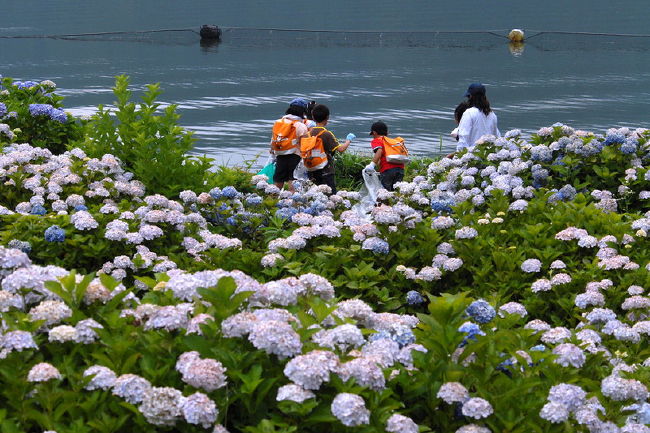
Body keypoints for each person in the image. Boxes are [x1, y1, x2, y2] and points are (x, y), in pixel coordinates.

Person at [304, 103, 354, 194]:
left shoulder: (308, 134)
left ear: (313, 118)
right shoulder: (326, 134)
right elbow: (341, 149)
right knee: (330, 195)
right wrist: (348, 140)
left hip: (311, 170)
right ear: (327, 118)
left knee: (313, 195)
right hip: (326, 170)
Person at [270, 98, 310, 191]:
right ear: (303, 111)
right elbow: (304, 145)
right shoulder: (301, 126)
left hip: (280, 154)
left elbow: (273, 140)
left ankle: (273, 201)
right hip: (295, 156)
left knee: (278, 181)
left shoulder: (278, 122)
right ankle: (293, 202)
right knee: (292, 180)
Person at [456, 83, 500, 151]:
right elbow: (496, 137)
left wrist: (459, 156)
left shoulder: (469, 113)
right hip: (487, 155)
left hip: (472, 157)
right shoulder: (492, 114)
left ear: (470, 96)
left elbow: (463, 139)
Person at [364, 121, 404, 191]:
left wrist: (371, 165)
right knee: (396, 192)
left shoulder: (377, 140)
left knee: (384, 193)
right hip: (400, 169)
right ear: (387, 133)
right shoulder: (392, 141)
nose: (373, 137)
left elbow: (379, 151)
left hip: (388, 170)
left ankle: (384, 202)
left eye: (373, 135)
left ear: (374, 133)